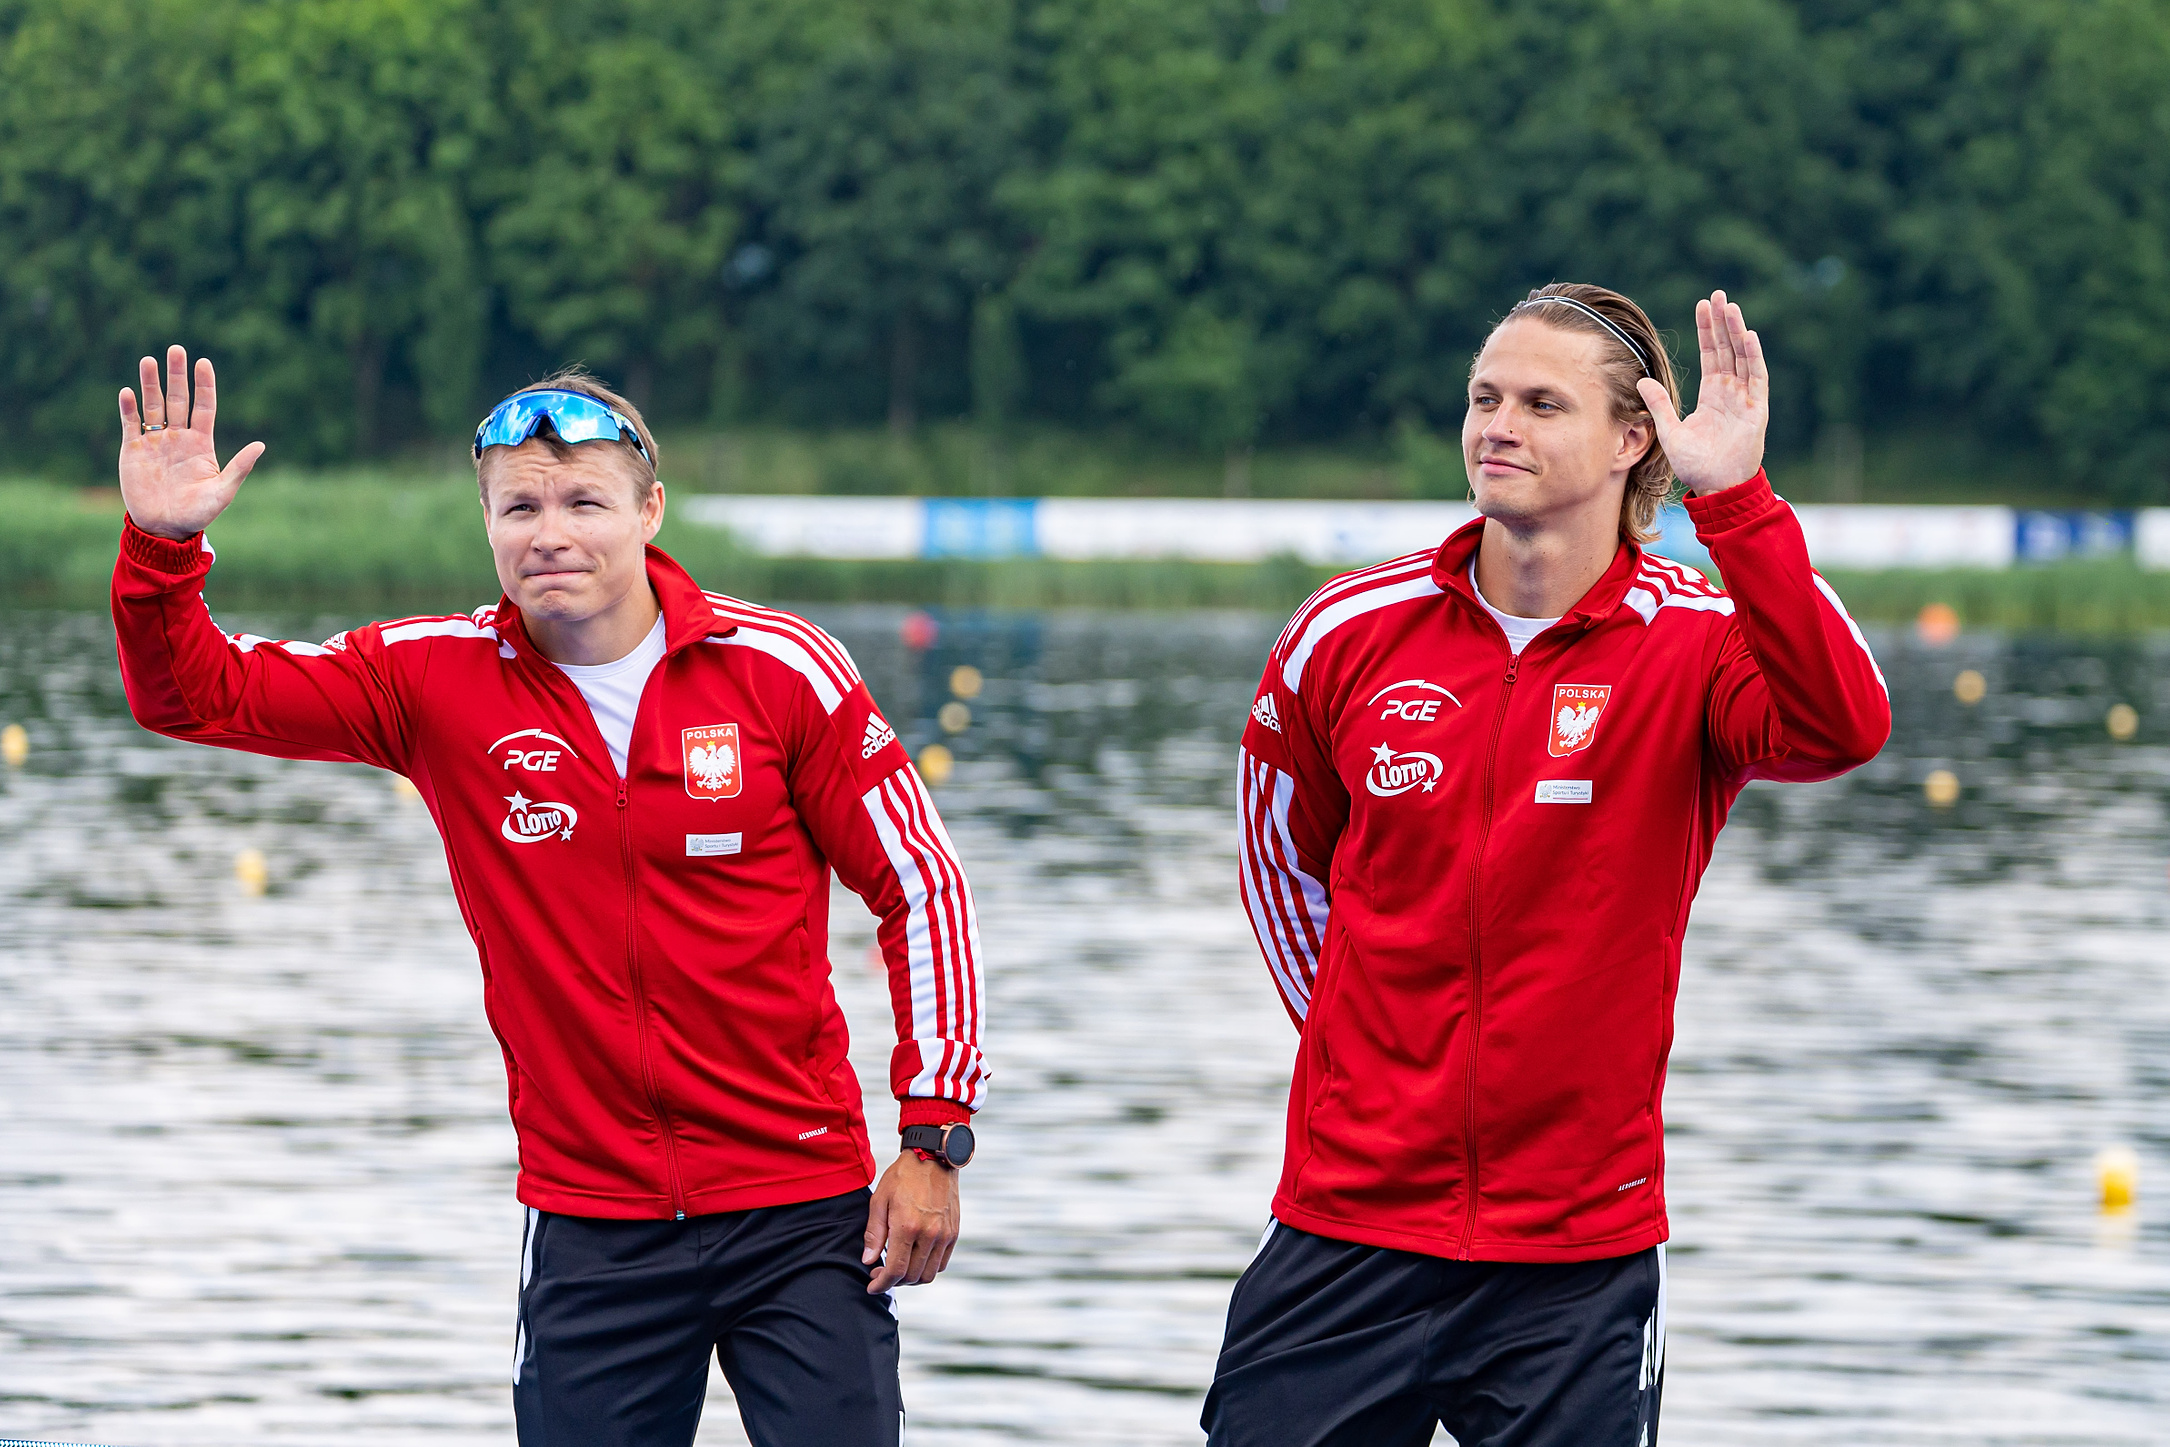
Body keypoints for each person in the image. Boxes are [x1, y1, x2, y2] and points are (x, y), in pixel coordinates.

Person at [109, 352, 986, 1447]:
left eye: (583, 500)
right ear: (485, 520)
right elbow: (194, 693)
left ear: (649, 510)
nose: (549, 531)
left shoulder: (781, 669)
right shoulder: (428, 677)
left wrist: (932, 1137)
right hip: (590, 1220)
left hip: (799, 1207)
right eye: (518, 505)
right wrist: (163, 545)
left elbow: (923, 887)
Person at [1209, 286, 1890, 1446]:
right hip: (1348, 1223)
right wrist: (1369, 1055)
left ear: (1634, 441)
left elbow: (1842, 724)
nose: (1496, 427)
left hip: (1577, 1255)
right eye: (1482, 398)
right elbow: (1281, 859)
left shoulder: (1696, 639)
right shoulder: (1345, 630)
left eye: (1538, 402)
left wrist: (1736, 501)